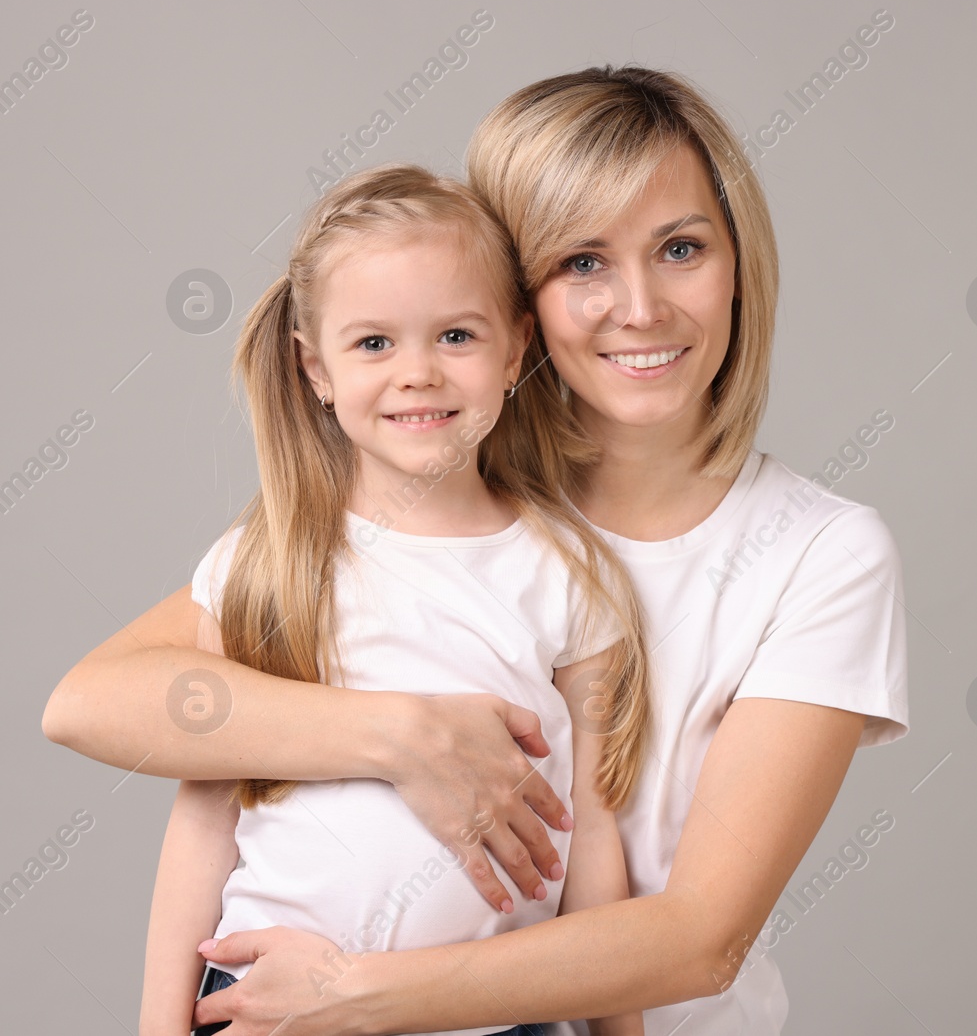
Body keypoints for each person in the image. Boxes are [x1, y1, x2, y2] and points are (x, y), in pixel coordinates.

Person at [43, 64, 910, 1036]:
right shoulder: (406, 516)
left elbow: (697, 936)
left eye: (680, 247)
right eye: (582, 260)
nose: (639, 305)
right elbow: (99, 703)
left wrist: (348, 995)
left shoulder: (818, 551)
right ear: (518, 296)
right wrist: (402, 736)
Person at [136, 161, 652, 1036]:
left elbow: (595, 841)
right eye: (374, 344)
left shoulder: (568, 573)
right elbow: (203, 820)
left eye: (456, 335)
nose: (418, 373)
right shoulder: (269, 565)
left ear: (516, 347)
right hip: (266, 1010)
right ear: (316, 368)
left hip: (494, 1021)